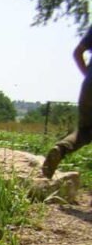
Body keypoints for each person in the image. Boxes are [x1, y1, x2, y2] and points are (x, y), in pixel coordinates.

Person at [43, 26, 92, 179]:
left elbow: (77, 52)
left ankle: (61, 148)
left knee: (85, 130)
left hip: (89, 86)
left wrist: (88, 78)